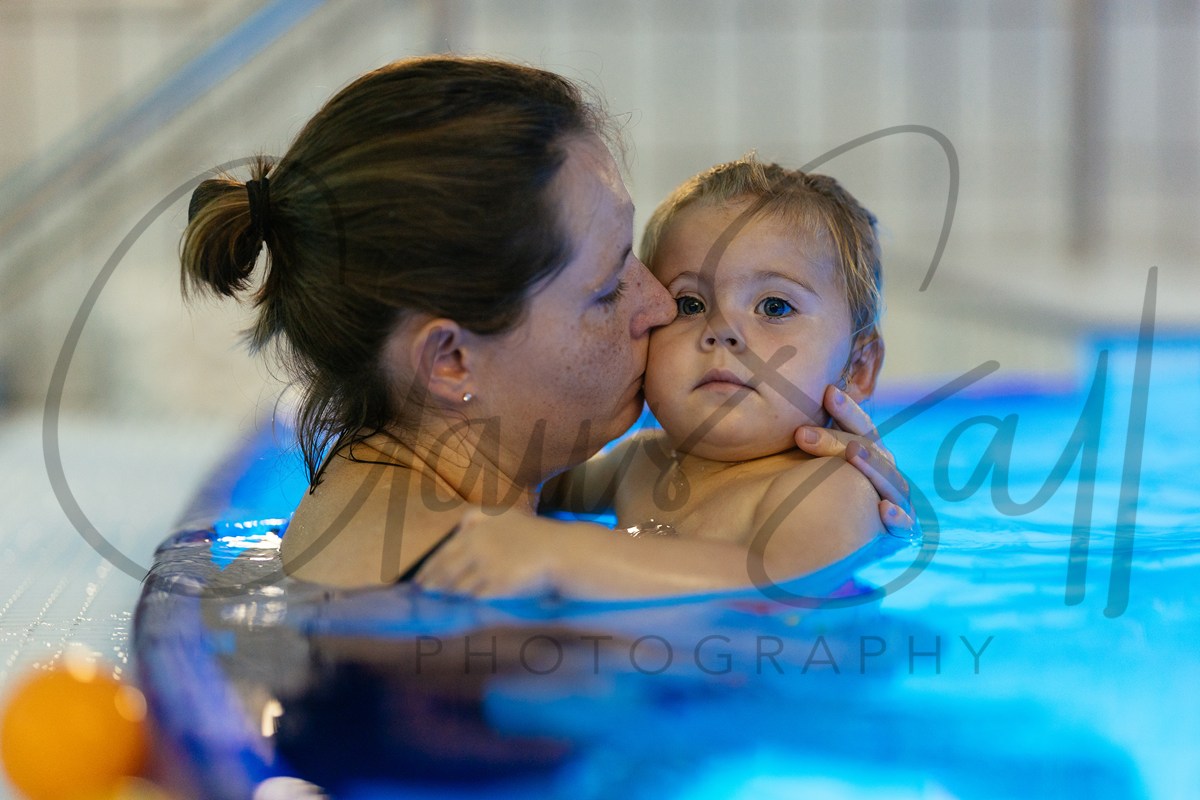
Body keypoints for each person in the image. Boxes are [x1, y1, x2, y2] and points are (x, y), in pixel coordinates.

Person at [181, 56, 912, 595]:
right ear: (450, 361)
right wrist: (570, 557)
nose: (660, 306)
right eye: (609, 285)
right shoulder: (441, 582)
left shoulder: (456, 496)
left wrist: (843, 516)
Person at [528, 156, 892, 590]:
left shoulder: (827, 487)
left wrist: (563, 560)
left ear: (858, 368)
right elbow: (526, 486)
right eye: (690, 304)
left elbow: (778, 590)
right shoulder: (641, 463)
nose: (721, 331)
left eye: (775, 307)